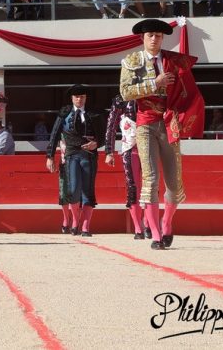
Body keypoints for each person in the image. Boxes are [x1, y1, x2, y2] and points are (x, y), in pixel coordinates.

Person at [120, 19, 202, 250]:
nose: (154, 39)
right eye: (150, 35)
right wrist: (154, 83)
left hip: (169, 124)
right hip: (145, 124)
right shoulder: (131, 61)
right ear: (142, 38)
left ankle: (166, 222)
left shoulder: (173, 61)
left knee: (174, 183)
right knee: (151, 179)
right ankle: (156, 234)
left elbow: (188, 91)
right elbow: (125, 93)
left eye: (158, 35)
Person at [45, 84, 105, 237]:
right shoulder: (65, 113)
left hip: (89, 155)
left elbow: (104, 135)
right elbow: (54, 134)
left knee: (88, 190)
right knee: (73, 190)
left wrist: (97, 143)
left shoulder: (94, 113)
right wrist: (50, 156)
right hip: (71, 155)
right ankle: (75, 221)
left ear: (86, 97)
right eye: (77, 97)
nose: (80, 99)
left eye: (82, 96)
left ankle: (85, 227)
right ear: (72, 98)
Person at [105, 94, 149, 239]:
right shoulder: (121, 100)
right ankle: (138, 227)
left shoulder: (149, 95)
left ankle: (148, 223)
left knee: (150, 185)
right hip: (130, 149)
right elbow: (111, 125)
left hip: (149, 148)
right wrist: (109, 151)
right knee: (133, 186)